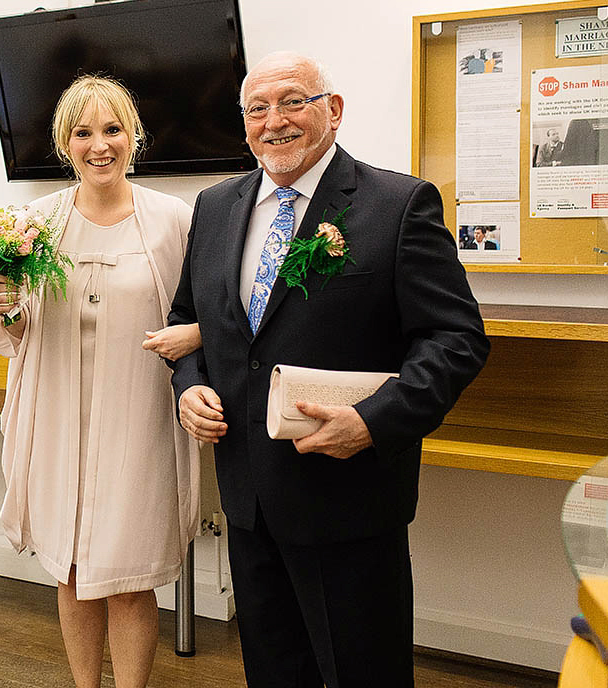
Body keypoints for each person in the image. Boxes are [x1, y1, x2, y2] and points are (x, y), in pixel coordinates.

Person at [167, 52, 489, 688]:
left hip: (349, 499)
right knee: (273, 670)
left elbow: (455, 338)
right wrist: (191, 384)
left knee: (362, 672)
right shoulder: (214, 207)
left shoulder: (398, 205)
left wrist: (372, 423)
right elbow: (191, 320)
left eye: (293, 101)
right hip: (249, 496)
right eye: (257, 108)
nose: (274, 121)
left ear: (333, 111)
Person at [0, 75, 201, 688]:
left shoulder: (172, 221)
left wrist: (197, 335)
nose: (98, 145)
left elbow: (208, 311)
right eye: (84, 132)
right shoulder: (36, 222)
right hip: (59, 418)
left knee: (128, 576)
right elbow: (18, 327)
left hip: (137, 418)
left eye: (112, 130)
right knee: (72, 569)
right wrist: (6, 306)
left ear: (134, 138)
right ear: (65, 143)